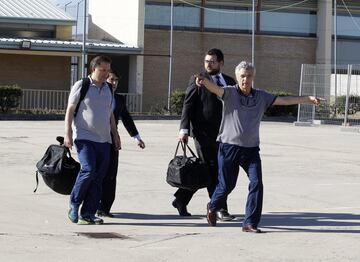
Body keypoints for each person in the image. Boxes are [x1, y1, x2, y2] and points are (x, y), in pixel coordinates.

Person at [197, 61, 324, 232]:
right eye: (242, 76)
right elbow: (215, 89)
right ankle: (212, 206)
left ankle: (249, 223)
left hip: (251, 150)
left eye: (249, 76)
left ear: (253, 77)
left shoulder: (261, 97)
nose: (245, 79)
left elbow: (284, 100)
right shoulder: (229, 93)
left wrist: (307, 99)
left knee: (257, 183)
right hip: (229, 148)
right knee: (227, 186)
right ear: (237, 77)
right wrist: (204, 82)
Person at [173, 48, 236, 221]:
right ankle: (218, 208)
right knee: (215, 171)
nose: (208, 64)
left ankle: (181, 198)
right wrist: (184, 130)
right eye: (206, 61)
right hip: (203, 134)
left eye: (212, 61)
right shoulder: (198, 80)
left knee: (208, 172)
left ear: (221, 63)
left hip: (225, 134)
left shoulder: (230, 81)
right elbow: (188, 105)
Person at [64, 55, 121, 225]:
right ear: (93, 69)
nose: (106, 73)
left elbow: (110, 114)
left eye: (108, 70)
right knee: (88, 170)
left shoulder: (109, 89)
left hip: (104, 140)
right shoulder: (82, 85)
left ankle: (88, 213)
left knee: (99, 177)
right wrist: (67, 134)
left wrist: (115, 135)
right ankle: (74, 203)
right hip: (84, 136)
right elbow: (70, 110)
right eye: (103, 70)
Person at [97, 71, 145, 217]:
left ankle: (105, 208)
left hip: (112, 139)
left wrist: (136, 137)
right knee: (96, 173)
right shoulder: (95, 95)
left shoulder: (119, 99)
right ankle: (91, 204)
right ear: (105, 80)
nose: (114, 83)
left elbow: (126, 118)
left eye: (116, 80)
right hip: (95, 138)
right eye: (112, 79)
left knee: (111, 174)